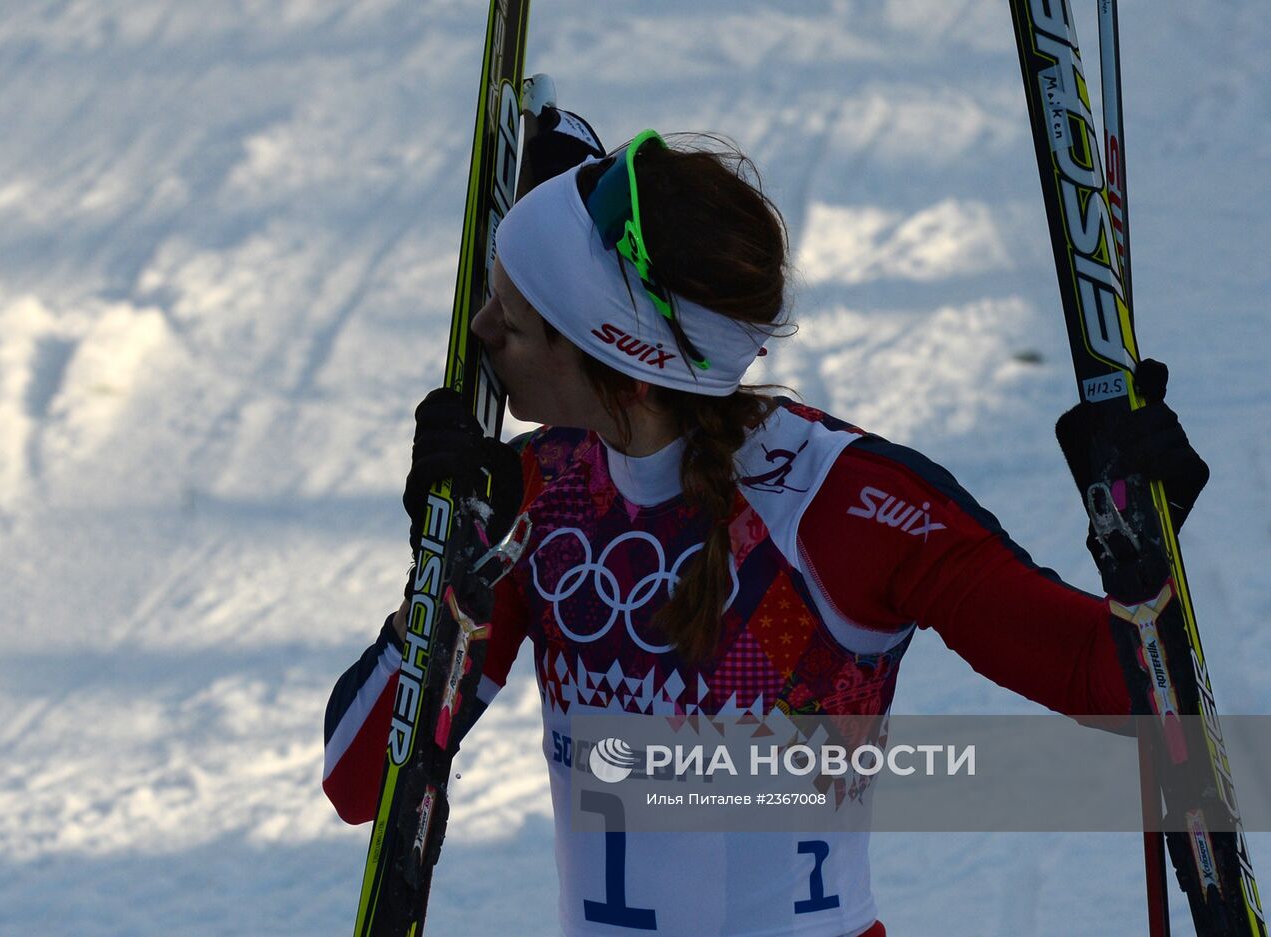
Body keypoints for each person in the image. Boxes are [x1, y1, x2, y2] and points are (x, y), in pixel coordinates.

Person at [322, 109, 1208, 937]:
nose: (478, 333)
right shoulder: (540, 494)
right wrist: (447, 568)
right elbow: (362, 783)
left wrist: (1145, 537)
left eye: (512, 322)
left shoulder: (842, 504)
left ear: (621, 371)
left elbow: (1119, 681)